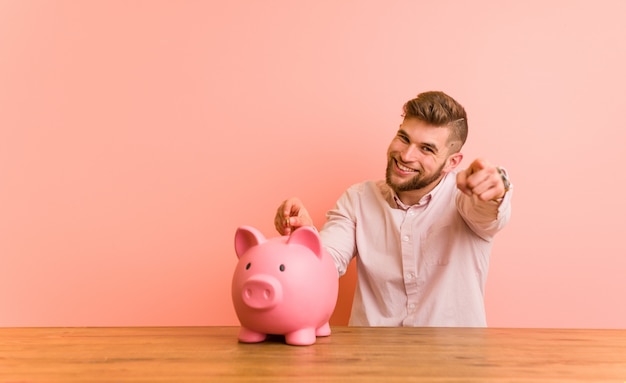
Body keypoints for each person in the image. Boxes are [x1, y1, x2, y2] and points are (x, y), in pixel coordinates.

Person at [274, 91, 512, 327]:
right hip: (371, 358)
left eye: (426, 149)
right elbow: (323, 266)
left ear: (451, 162)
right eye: (404, 138)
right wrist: (305, 241)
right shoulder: (358, 199)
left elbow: (487, 213)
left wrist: (493, 188)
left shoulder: (465, 197)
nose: (406, 155)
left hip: (454, 359)